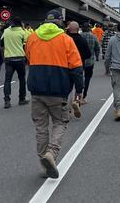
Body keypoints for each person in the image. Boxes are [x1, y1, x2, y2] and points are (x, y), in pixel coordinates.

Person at [26, 10, 83, 179]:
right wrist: (79, 90)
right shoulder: (66, 40)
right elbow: (76, 68)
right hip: (58, 90)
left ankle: (44, 165)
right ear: (60, 22)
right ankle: (51, 154)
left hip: (36, 89)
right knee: (60, 122)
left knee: (41, 127)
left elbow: (28, 59)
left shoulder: (32, 37)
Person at [1, 17, 29, 109]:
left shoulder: (6, 32)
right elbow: (26, 45)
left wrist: (3, 56)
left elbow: (1, 44)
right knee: (22, 79)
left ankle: (7, 101)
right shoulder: (22, 32)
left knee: (7, 80)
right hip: (20, 59)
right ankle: (22, 99)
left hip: (8, 59)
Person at [65, 22, 91, 118]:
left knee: (67, 87)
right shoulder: (82, 40)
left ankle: (66, 108)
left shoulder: (65, 39)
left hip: (66, 66)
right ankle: (76, 101)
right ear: (77, 29)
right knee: (79, 87)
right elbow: (88, 54)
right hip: (78, 66)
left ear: (69, 28)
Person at [79, 22, 100, 104]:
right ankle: (84, 97)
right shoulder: (93, 37)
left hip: (79, 60)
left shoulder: (79, 36)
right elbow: (97, 48)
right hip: (90, 61)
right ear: (89, 28)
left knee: (79, 78)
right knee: (87, 78)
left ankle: (78, 96)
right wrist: (97, 56)